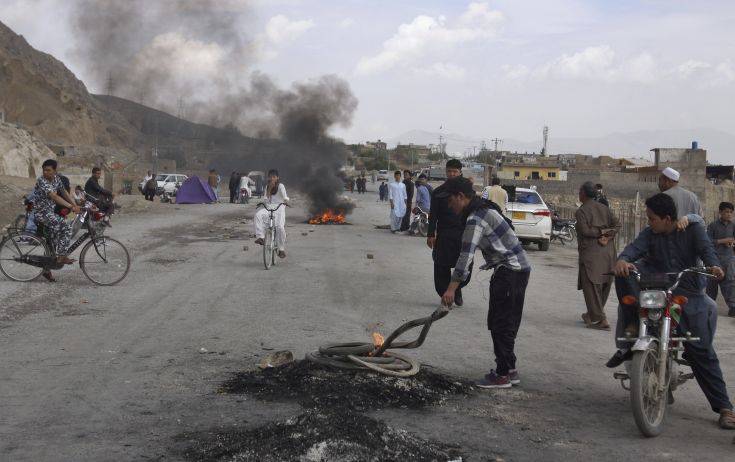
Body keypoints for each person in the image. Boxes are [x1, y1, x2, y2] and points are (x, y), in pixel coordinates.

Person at [608, 193, 735, 430]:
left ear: (667, 218)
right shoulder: (650, 234)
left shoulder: (693, 230)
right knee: (625, 272)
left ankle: (725, 407)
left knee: (700, 351)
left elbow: (707, 251)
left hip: (687, 292)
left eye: (652, 219)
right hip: (656, 287)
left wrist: (715, 266)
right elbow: (633, 248)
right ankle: (634, 324)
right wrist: (623, 260)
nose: (649, 223)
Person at [438, 176, 531, 389]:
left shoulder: (476, 218)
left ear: (461, 197)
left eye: (451, 200)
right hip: (518, 270)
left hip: (510, 272)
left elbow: (465, 256)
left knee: (500, 323)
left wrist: (451, 288)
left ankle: (502, 375)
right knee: (506, 322)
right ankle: (510, 369)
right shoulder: (485, 209)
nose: (449, 205)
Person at [575, 181, 620, 330]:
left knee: (591, 286)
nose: (578, 194)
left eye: (580, 192)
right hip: (608, 252)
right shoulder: (604, 208)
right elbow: (617, 225)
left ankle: (601, 319)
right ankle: (592, 314)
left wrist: (601, 233)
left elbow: (585, 231)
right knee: (603, 284)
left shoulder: (582, 211)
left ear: (583, 194)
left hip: (591, 253)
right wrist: (608, 236)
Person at [428, 159, 472, 306]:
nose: (452, 174)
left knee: (466, 265)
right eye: (449, 171)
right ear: (445, 172)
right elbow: (433, 214)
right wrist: (430, 234)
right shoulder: (438, 192)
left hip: (464, 233)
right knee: (441, 266)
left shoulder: (467, 190)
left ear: (460, 172)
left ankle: (456, 289)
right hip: (444, 233)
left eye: (455, 171)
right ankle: (445, 295)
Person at [33, 159, 81, 280]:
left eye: (48, 170)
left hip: (50, 213)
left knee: (52, 243)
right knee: (66, 226)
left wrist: (75, 204)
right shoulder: (41, 181)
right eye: (44, 170)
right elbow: (54, 196)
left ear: (55, 171)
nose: (45, 172)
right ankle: (62, 256)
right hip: (42, 214)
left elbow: (64, 192)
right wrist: (71, 206)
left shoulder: (56, 179)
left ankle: (46, 269)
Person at [707, 202, 735, 317]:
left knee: (730, 283)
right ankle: (709, 308)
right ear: (720, 212)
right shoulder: (713, 226)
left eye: (731, 212)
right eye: (726, 212)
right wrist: (722, 241)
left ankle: (733, 307)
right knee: (711, 286)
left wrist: (731, 243)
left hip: (728, 260)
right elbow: (707, 242)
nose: (729, 214)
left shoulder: (733, 226)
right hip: (714, 259)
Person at [254, 169, 289, 258]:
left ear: (277, 178)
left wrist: (285, 201)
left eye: (274, 177)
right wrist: (269, 188)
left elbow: (285, 197)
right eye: (270, 177)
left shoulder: (281, 186)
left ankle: (281, 249)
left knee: (280, 227)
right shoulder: (267, 186)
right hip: (269, 207)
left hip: (280, 207)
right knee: (258, 214)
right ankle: (260, 237)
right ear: (268, 178)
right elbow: (266, 199)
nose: (272, 178)